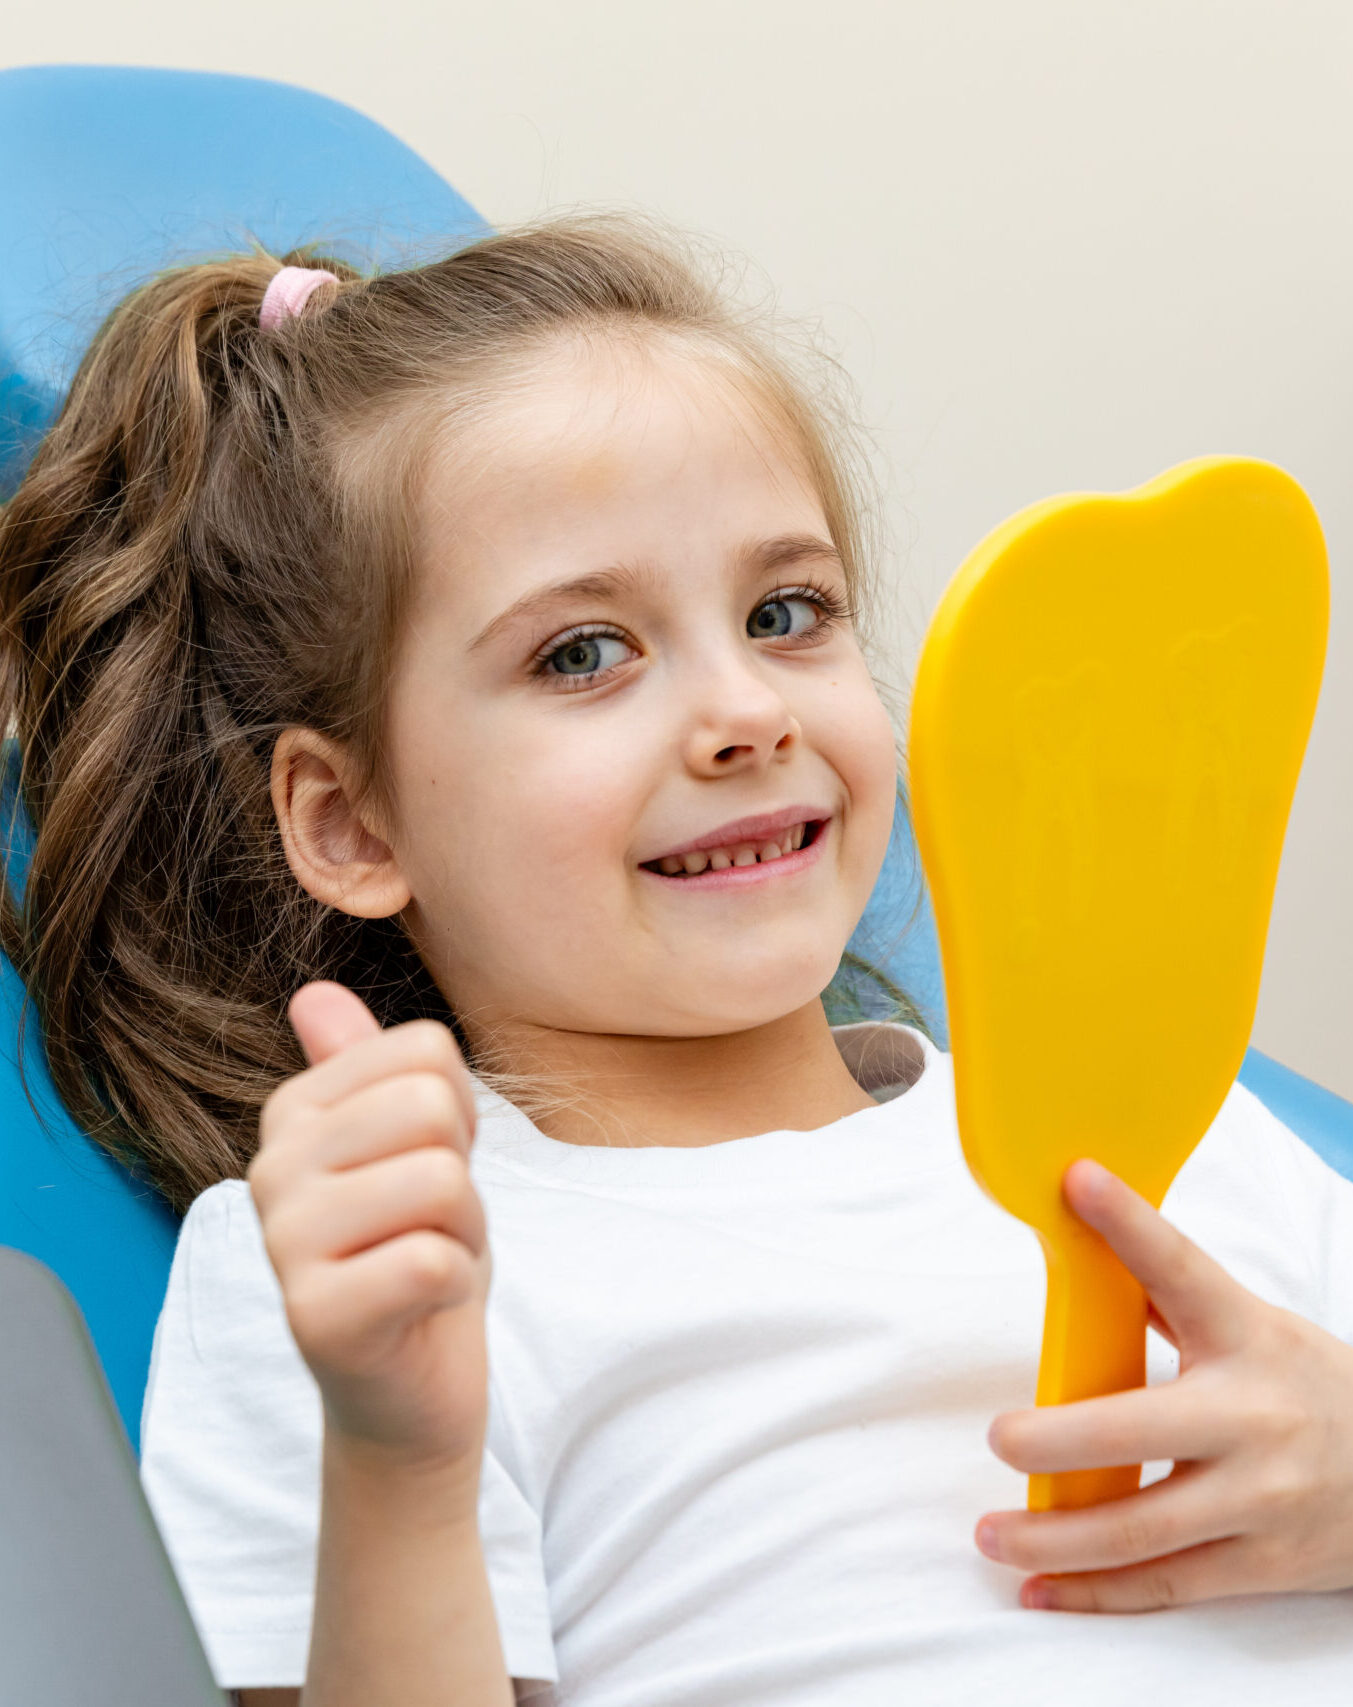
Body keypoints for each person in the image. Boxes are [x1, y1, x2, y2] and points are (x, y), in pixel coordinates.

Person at [1, 212, 1351, 1707]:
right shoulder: (375, 1278)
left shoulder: (1187, 1135)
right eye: (582, 653)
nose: (744, 711)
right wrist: (402, 1461)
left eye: (787, 615)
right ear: (352, 823)